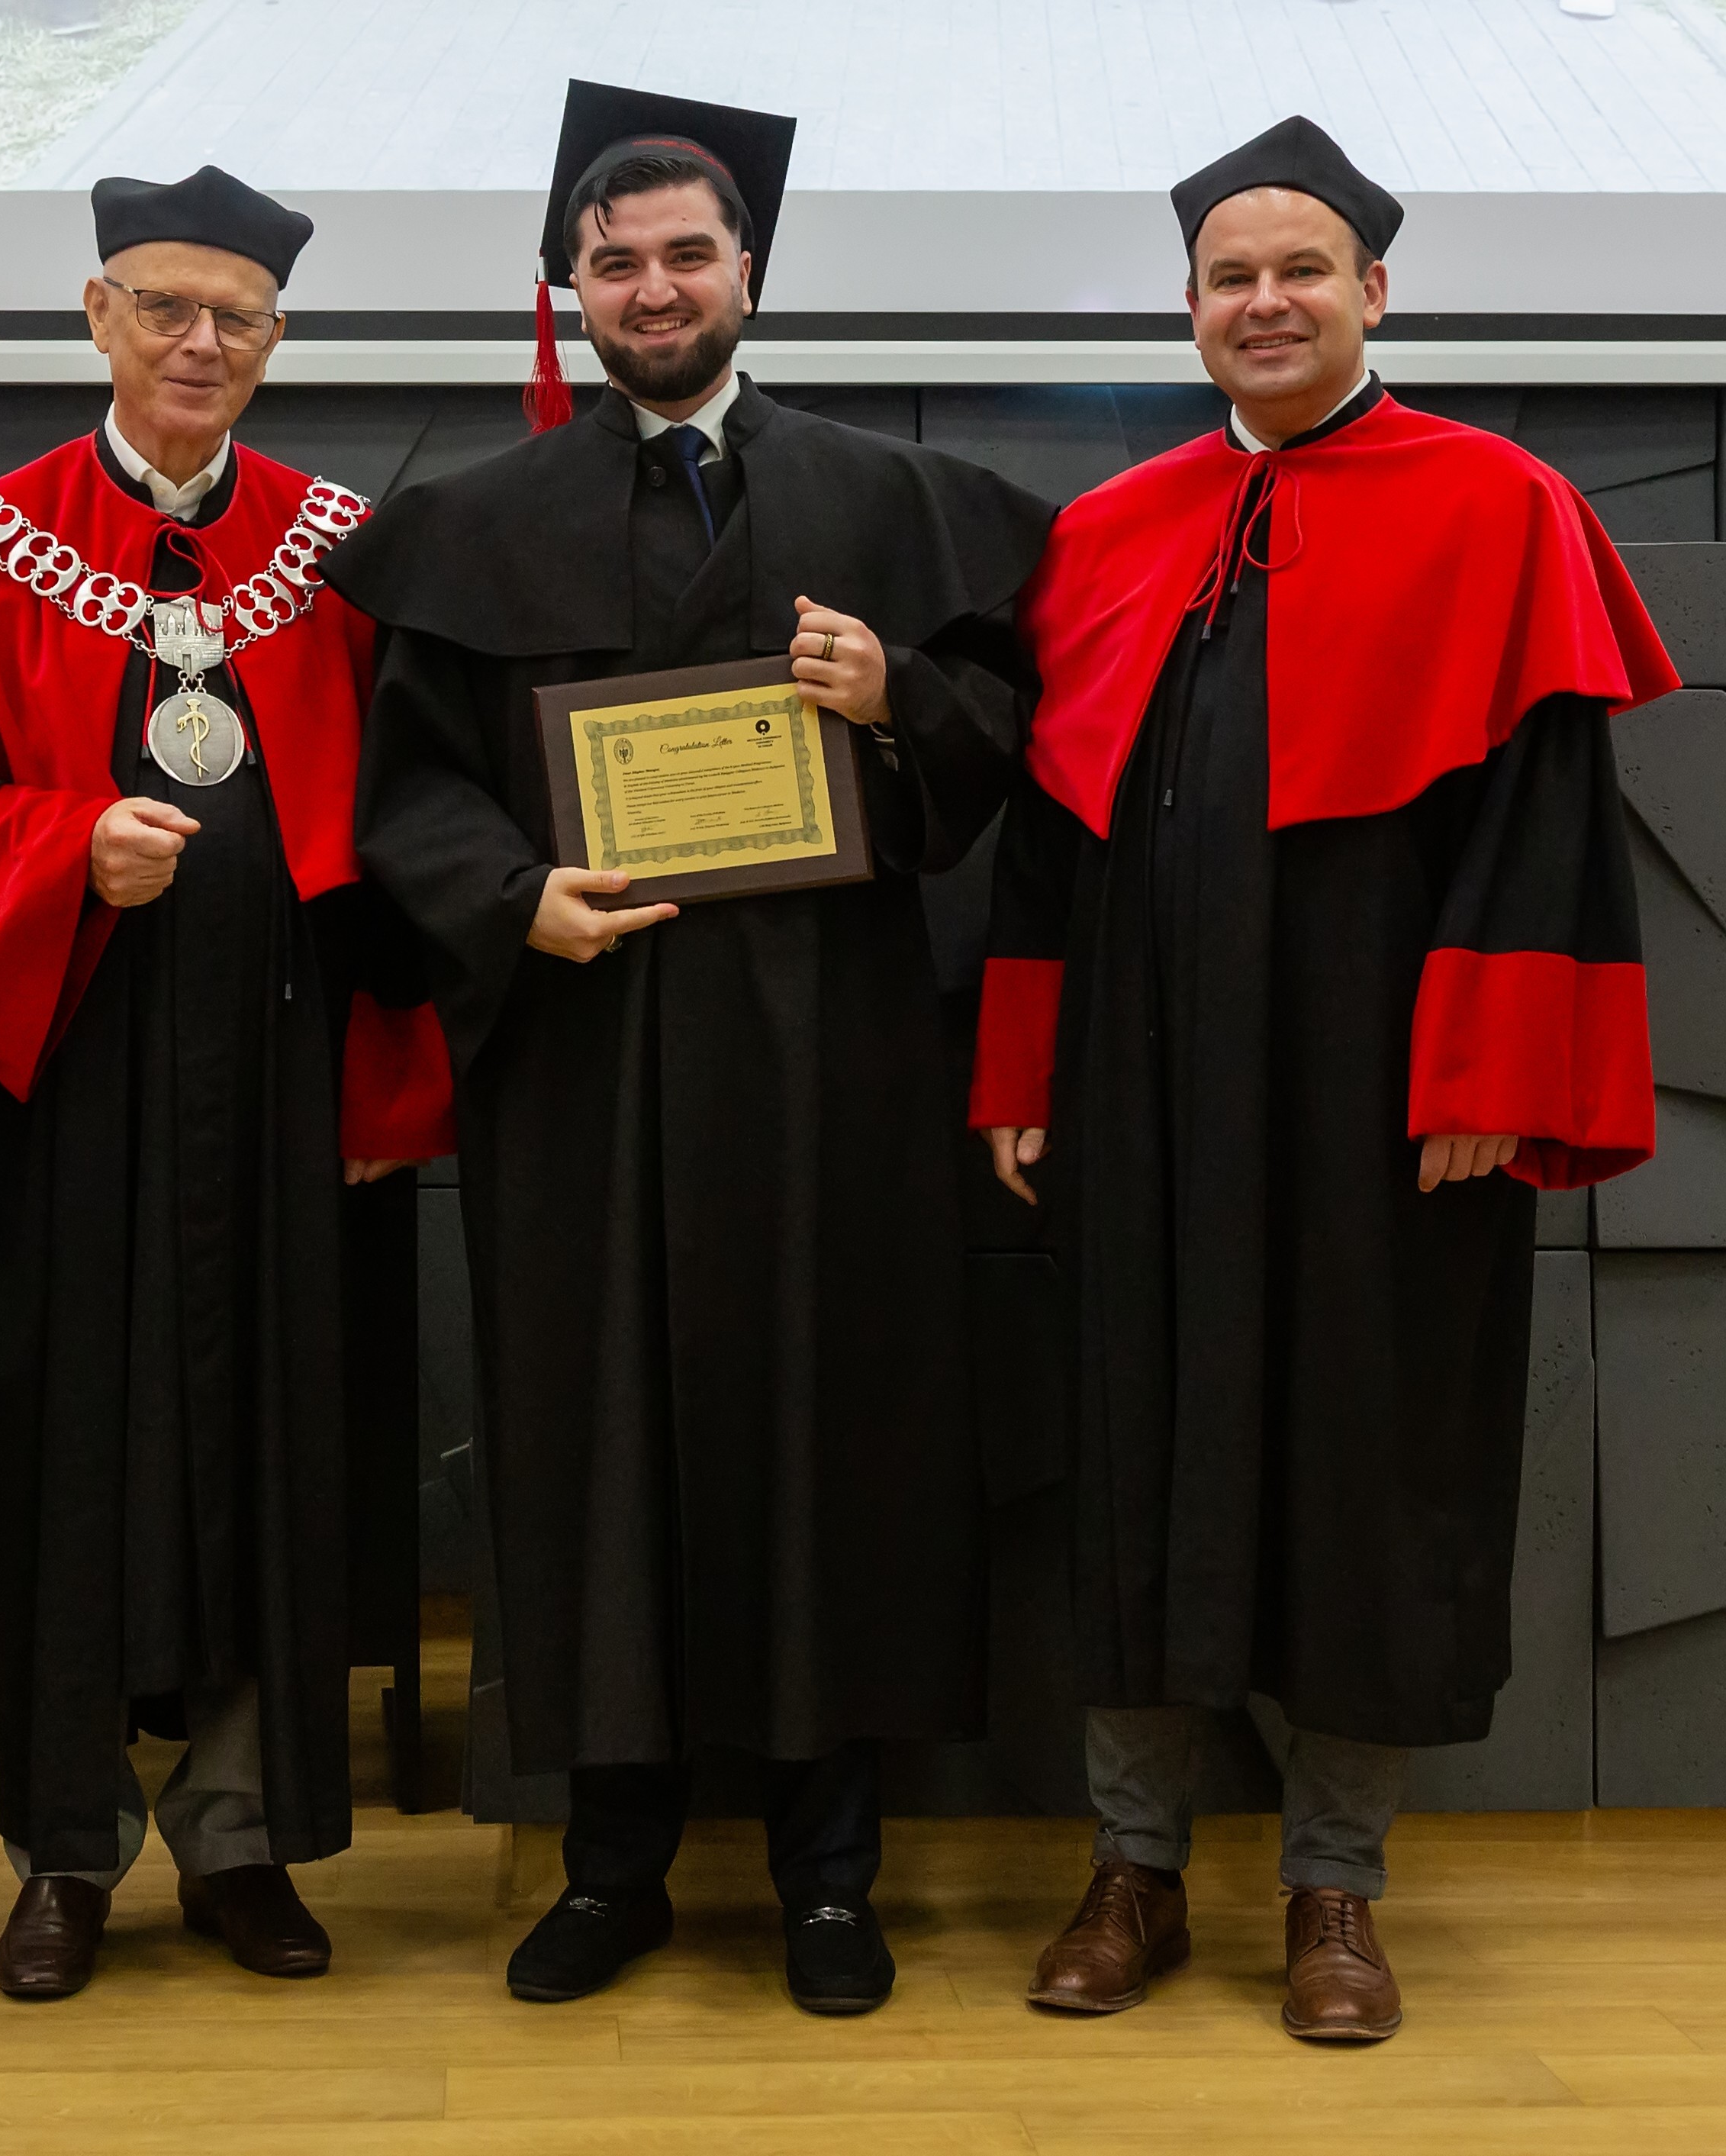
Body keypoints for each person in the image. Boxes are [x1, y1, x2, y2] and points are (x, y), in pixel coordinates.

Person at [324, 82, 1051, 2019]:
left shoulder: (893, 504)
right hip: (586, 1050)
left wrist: (895, 695)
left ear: (749, 272)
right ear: (569, 286)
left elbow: (996, 754)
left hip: (832, 1057)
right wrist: (512, 904)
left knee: (836, 1435)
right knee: (593, 1437)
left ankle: (829, 1880)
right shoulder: (473, 530)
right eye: (614, 262)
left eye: (685, 256)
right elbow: (408, 788)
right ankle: (611, 1867)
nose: (651, 288)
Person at [974, 116, 1674, 2043]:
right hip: (1140, 1073)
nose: (1263, 302)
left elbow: (1545, 824)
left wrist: (1489, 1072)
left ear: (1373, 290)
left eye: (1300, 272)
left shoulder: (1498, 505)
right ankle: (1132, 1865)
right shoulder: (1112, 532)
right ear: (1189, 307)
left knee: (1372, 1455)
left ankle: (1333, 1885)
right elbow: (1047, 829)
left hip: (1382, 1087)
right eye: (1230, 277)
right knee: (1134, 1439)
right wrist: (1024, 1063)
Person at [0, 164, 451, 2000]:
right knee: (65, 1456)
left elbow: (414, 830)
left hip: (281, 1074)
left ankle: (240, 1834)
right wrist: (59, 854)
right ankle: (65, 1846)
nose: (202, 342)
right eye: (167, 308)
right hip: (69, 1086)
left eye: (238, 317)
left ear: (275, 339)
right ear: (97, 314)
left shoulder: (343, 552)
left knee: (273, 1444)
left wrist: (385, 1077)